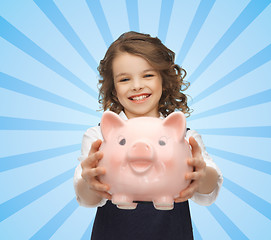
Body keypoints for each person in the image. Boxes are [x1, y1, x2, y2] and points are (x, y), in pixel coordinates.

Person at [73, 31, 223, 239]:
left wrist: (201, 174)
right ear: (113, 89)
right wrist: (89, 181)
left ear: (164, 80)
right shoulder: (99, 136)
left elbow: (208, 189)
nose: (136, 85)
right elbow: (86, 198)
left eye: (148, 75)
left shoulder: (185, 137)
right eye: (125, 79)